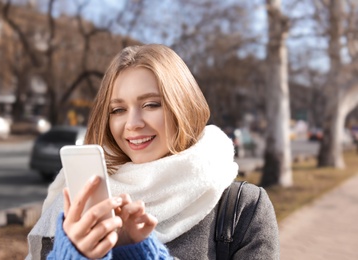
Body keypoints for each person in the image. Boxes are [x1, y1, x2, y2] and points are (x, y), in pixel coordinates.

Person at [26, 44, 279, 259]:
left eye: (150, 104)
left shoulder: (243, 208)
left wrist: (140, 253)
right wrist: (72, 254)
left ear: (184, 105)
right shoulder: (75, 208)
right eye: (118, 110)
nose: (132, 123)